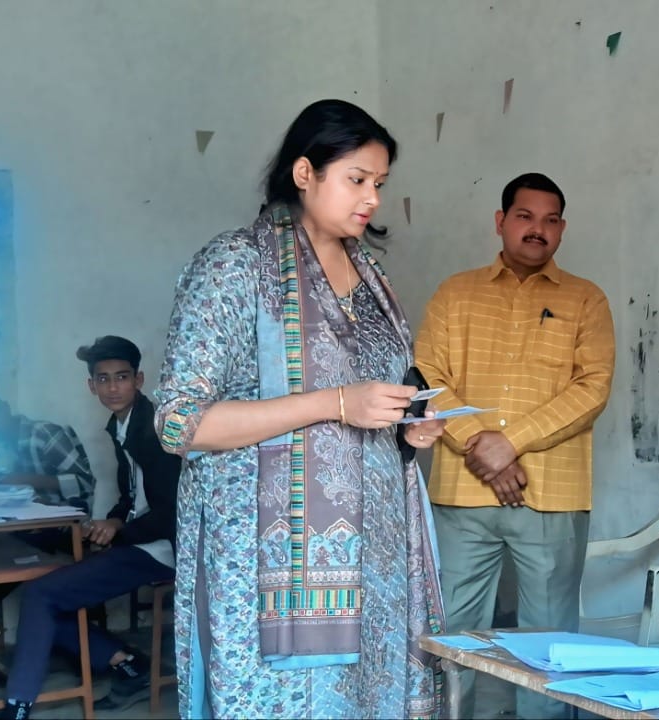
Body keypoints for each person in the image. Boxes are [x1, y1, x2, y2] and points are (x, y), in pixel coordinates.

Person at [156, 99, 448, 718]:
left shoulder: (372, 277)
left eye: (380, 183)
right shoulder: (238, 266)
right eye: (357, 179)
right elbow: (181, 424)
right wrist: (336, 403)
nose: (372, 198)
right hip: (264, 566)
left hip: (375, 561)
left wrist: (409, 427)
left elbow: (377, 398)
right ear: (304, 172)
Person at [414, 172, 615, 719]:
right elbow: (427, 376)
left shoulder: (586, 299)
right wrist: (482, 445)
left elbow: (592, 389)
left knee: (548, 643)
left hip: (551, 496)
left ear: (562, 229)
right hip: (462, 494)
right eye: (525, 216)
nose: (537, 229)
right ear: (501, 222)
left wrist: (510, 443)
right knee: (453, 634)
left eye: (550, 220)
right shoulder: (455, 293)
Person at [0, 337, 183, 719]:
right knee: (47, 593)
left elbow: (172, 511)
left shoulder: (155, 429)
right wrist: (107, 523)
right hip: (141, 541)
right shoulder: (122, 426)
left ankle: (17, 706)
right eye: (103, 379)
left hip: (164, 548)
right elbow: (132, 496)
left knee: (42, 594)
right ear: (91, 385)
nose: (113, 387)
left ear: (139, 380)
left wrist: (118, 531)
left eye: (122, 377)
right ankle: (127, 663)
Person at [0, 386, 97, 610]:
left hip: (66, 531)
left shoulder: (44, 434)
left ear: (5, 408)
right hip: (29, 530)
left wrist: (27, 481)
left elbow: (85, 482)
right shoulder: (5, 446)